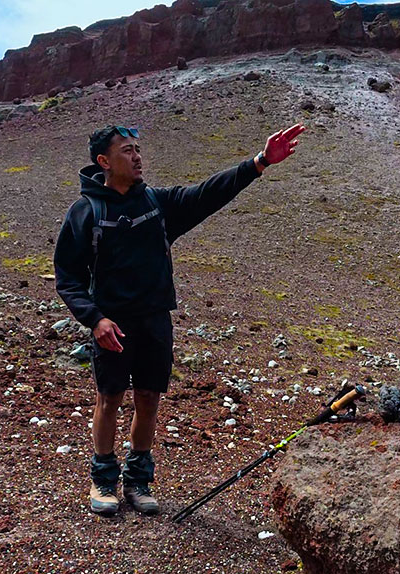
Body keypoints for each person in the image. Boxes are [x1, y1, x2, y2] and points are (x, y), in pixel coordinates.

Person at [54, 122, 305, 516]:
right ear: (104, 161)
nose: (137, 156)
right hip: (112, 324)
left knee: (149, 399)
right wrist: (94, 319)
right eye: (126, 150)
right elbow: (67, 277)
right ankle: (103, 479)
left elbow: (207, 194)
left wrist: (258, 163)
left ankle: (138, 480)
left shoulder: (157, 204)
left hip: (155, 320)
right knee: (110, 399)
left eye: (138, 148)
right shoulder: (85, 212)